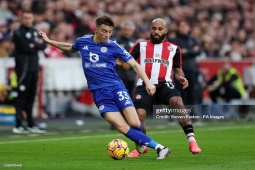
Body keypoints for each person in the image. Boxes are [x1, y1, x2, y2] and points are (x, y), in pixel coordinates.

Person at [39, 15, 171, 160]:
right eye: (104, 31)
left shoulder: (113, 46)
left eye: (109, 31)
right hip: (99, 94)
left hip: (116, 88)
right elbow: (70, 48)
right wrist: (49, 41)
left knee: (134, 122)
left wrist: (148, 82)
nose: (107, 35)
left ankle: (141, 142)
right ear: (95, 29)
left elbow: (134, 64)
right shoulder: (83, 42)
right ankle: (160, 148)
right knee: (121, 127)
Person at [127, 18, 202, 157]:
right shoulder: (140, 46)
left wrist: (180, 77)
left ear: (165, 30)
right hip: (144, 84)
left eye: (160, 29)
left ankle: (192, 141)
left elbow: (178, 70)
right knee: (138, 116)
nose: (156, 31)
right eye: (154, 28)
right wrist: (119, 62)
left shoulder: (174, 49)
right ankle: (141, 146)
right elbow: (126, 65)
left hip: (164, 84)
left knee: (178, 102)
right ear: (150, 29)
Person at [12, 11, 47, 134]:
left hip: (34, 68)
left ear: (32, 19)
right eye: (25, 18)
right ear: (21, 19)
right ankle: (18, 123)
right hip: (23, 69)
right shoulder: (18, 32)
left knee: (31, 96)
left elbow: (43, 46)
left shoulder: (34, 31)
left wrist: (35, 45)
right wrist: (36, 45)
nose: (28, 20)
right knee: (21, 96)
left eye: (30, 18)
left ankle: (30, 123)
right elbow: (25, 47)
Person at [169, 20, 203, 105]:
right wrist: (191, 51)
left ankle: (191, 114)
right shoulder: (174, 40)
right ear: (178, 27)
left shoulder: (192, 39)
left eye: (186, 26)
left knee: (191, 93)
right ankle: (174, 114)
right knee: (177, 93)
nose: (184, 28)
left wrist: (186, 51)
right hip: (179, 71)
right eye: (182, 26)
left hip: (191, 70)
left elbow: (199, 51)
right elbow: (176, 52)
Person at [115, 20, 137, 97]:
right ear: (121, 30)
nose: (127, 32)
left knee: (130, 97)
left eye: (130, 30)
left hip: (131, 76)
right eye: (126, 30)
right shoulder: (115, 42)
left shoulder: (135, 43)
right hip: (118, 75)